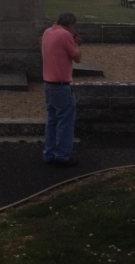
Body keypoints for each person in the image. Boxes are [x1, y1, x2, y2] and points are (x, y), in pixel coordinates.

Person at [41, 12, 81, 167]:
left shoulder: (47, 32)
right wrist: (76, 43)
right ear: (71, 25)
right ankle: (62, 156)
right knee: (65, 122)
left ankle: (49, 153)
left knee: (52, 121)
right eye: (74, 27)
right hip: (61, 85)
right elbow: (77, 57)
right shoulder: (65, 35)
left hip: (48, 84)